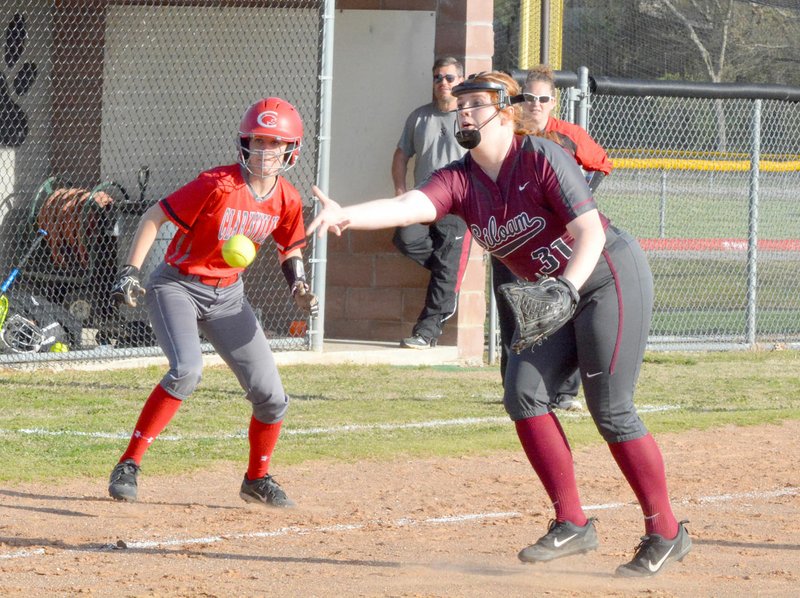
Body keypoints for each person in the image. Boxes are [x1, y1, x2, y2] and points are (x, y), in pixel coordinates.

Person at [307, 71, 691, 577]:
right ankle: (572, 523)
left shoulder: (540, 156)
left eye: (476, 104)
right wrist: (348, 215)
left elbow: (589, 232)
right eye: (460, 104)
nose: (463, 112)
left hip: (605, 280)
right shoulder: (460, 178)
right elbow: (410, 205)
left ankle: (665, 531)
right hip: (551, 295)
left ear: (505, 112)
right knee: (522, 393)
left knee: (611, 409)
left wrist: (567, 288)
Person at [107, 97, 317, 508]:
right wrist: (130, 271)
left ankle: (257, 479)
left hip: (229, 297)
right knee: (187, 370)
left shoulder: (287, 198)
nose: (264, 151)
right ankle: (128, 464)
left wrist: (300, 286)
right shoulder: (218, 184)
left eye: (275, 144)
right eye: (257, 141)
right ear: (244, 144)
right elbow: (154, 215)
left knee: (272, 397)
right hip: (178, 286)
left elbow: (289, 249)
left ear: (291, 150)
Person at [493, 65, 613, 412]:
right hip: (516, 239)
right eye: (529, 98)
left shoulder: (566, 134)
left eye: (543, 99)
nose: (536, 105)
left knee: (563, 307)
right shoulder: (509, 134)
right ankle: (513, 388)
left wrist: (579, 201)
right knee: (515, 311)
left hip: (558, 241)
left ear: (553, 101)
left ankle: (563, 392)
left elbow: (602, 164)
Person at [391, 56, 471, 349]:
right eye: (438, 78)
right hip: (422, 201)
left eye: (450, 78)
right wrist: (401, 191)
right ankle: (446, 271)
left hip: (458, 206)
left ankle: (427, 332)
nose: (443, 84)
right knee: (406, 239)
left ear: (461, 81)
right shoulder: (419, 117)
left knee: (447, 269)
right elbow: (401, 155)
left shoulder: (469, 116)